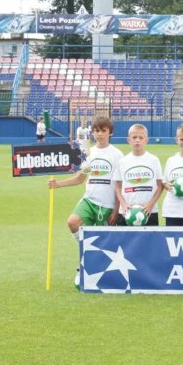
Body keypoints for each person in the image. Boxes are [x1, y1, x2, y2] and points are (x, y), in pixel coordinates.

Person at [48, 116, 123, 287]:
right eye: (97, 130)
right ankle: (86, 257)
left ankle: (94, 268)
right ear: (93, 133)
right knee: (73, 222)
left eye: (104, 130)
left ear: (110, 132)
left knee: (105, 245)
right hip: (89, 200)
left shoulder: (117, 154)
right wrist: (57, 184)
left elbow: (120, 184)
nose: (100, 134)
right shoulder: (88, 154)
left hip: (107, 205)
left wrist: (116, 209)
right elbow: (80, 178)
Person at [114, 124, 164, 226]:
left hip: (149, 211)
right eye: (134, 137)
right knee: (124, 242)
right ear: (129, 140)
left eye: (141, 137)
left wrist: (150, 205)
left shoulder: (153, 160)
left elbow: (160, 185)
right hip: (126, 212)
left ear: (146, 140)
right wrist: (123, 204)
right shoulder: (123, 161)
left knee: (149, 242)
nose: (137, 140)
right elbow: (118, 186)